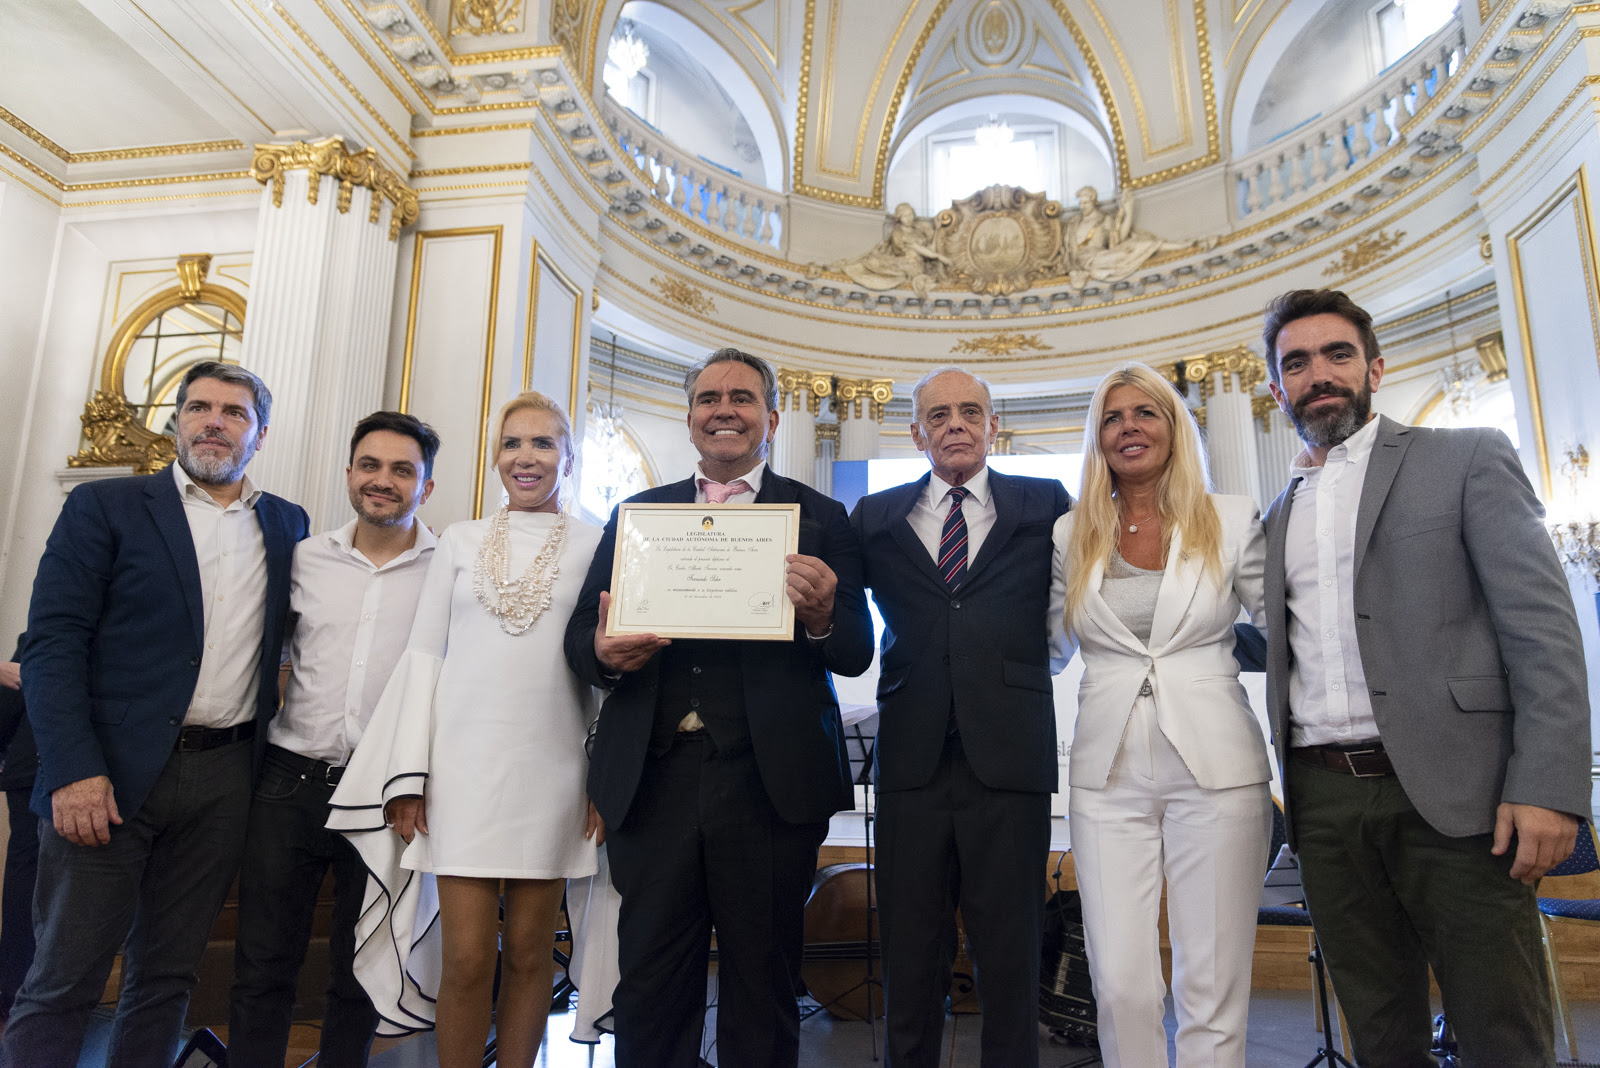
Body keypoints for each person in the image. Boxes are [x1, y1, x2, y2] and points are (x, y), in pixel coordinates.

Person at [1259, 288, 1591, 1067]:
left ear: (1374, 368)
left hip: (1458, 794)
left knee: (1502, 1033)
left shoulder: (1465, 457)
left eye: (1338, 354)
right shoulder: (1277, 515)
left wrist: (1548, 785)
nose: (1319, 374)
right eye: (1297, 363)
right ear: (1277, 390)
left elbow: (1542, 629)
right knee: (1379, 1037)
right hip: (1324, 801)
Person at [563, 348, 873, 1068]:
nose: (723, 410)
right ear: (690, 417)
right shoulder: (638, 514)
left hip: (771, 784)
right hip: (653, 778)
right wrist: (604, 653)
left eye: (741, 398)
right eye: (708, 399)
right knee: (649, 979)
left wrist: (822, 616)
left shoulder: (822, 517)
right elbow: (581, 637)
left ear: (771, 417)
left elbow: (856, 648)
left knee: (762, 978)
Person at [3, 361, 307, 1068]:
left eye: (234, 412)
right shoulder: (106, 506)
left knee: (167, 978)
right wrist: (72, 770)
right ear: (176, 423)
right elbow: (52, 643)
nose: (213, 422)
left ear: (260, 434)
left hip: (224, 781)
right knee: (63, 980)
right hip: (105, 777)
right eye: (198, 407)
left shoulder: (286, 523)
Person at [329, 391, 603, 1068]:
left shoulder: (600, 543)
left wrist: (605, 778)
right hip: (462, 775)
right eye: (512, 443)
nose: (526, 457)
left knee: (533, 955)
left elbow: (604, 675)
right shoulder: (459, 540)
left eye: (542, 443)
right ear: (495, 457)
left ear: (568, 458)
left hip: (556, 773)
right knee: (469, 957)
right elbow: (425, 657)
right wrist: (408, 775)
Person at [1046, 362, 1271, 1067]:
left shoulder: (1230, 518)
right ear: (1098, 437)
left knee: (1212, 982)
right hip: (1106, 774)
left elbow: (1287, 630)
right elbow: (1046, 649)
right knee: (1120, 984)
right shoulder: (1070, 532)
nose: (1129, 428)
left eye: (1145, 412)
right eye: (1112, 418)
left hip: (1218, 768)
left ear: (1174, 427)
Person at [849, 366, 1071, 1068]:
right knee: (911, 951)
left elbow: (1076, 602)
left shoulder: (1046, 502)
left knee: (1010, 952)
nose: (955, 425)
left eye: (970, 412)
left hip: (1010, 757)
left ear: (993, 426)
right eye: (938, 415)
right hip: (911, 759)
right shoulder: (874, 517)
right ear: (916, 433)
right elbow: (844, 624)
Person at [227, 411, 441, 1067]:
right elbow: (267, 654)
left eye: (402, 470)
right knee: (263, 961)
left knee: (361, 968)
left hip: (387, 794)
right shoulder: (304, 558)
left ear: (426, 486)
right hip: (289, 781)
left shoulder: (449, 571)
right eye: (370, 465)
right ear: (349, 473)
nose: (383, 480)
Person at [0, 638, 35, 1022]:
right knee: (28, 885)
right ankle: (15, 990)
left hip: (27, 769)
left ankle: (14, 991)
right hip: (31, 772)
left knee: (25, 882)